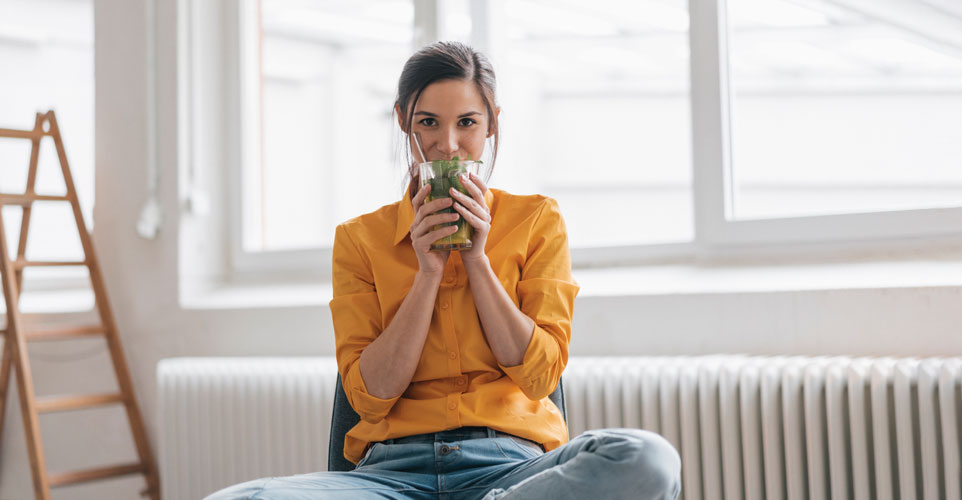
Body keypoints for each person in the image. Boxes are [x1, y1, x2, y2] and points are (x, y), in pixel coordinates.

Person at [206, 41, 681, 500]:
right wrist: (427, 272)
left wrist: (477, 261)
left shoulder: (537, 220)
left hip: (512, 467)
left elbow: (540, 379)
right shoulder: (359, 239)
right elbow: (369, 399)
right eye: (428, 122)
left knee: (645, 458)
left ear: (492, 123)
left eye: (467, 123)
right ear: (402, 122)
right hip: (389, 475)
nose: (447, 145)